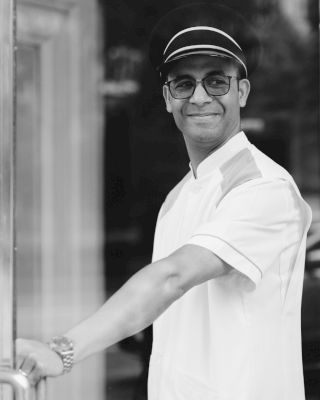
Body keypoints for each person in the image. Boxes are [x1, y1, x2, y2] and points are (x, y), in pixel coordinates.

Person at [17, 3, 312, 400]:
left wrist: (62, 350)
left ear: (241, 92)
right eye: (183, 84)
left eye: (217, 82)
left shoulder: (265, 188)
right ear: (167, 98)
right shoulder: (178, 196)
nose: (200, 96)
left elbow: (170, 279)